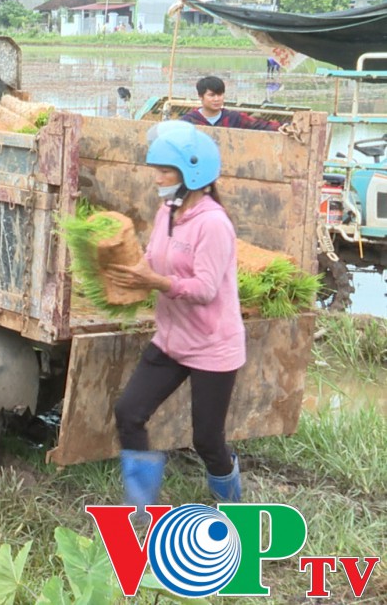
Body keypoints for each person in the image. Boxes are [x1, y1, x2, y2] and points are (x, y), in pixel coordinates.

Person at [107, 121, 245, 510]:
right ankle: (143, 506)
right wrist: (126, 273)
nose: (157, 178)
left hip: (213, 345)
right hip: (172, 339)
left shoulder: (214, 223)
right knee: (129, 412)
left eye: (165, 171)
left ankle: (231, 506)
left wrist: (156, 281)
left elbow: (204, 289)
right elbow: (152, 259)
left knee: (207, 440)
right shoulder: (166, 212)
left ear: (192, 173)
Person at [179, 76, 279, 131]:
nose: (217, 99)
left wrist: (284, 127)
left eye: (220, 94)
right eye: (212, 95)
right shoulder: (189, 121)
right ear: (201, 96)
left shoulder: (233, 118)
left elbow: (259, 125)